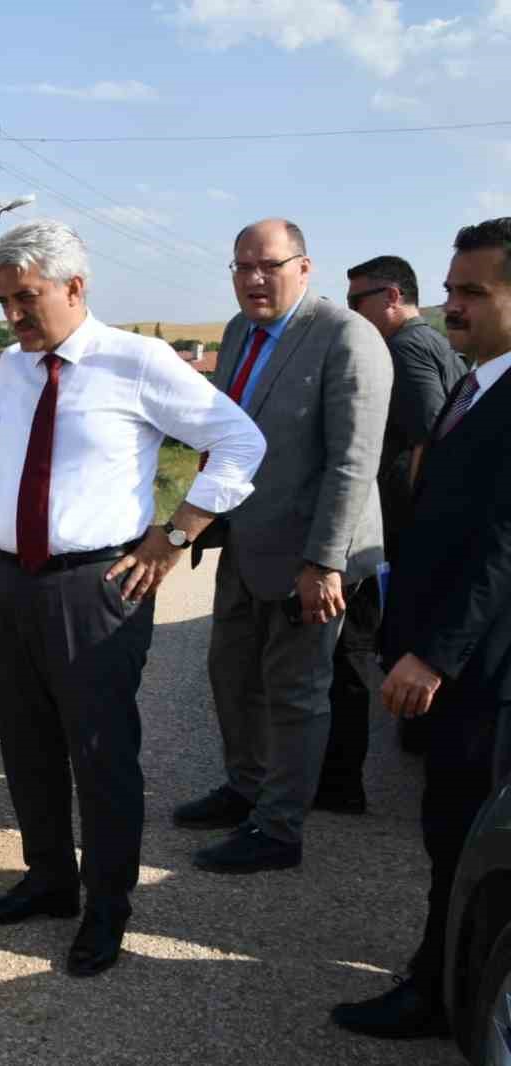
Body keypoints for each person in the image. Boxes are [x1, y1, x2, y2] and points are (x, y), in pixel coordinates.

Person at [0, 219, 264, 976]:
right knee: (27, 746)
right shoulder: (15, 369)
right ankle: (49, 880)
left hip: (100, 589)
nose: (15, 316)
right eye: (4, 302)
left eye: (26, 299)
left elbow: (240, 440)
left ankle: (107, 906)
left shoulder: (137, 361)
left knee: (100, 754)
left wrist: (178, 534)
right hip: (17, 585)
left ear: (74, 287)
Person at [331, 218, 511, 1039]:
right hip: (448, 657)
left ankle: (441, 996)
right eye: (451, 288)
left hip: (477, 671)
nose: (452, 306)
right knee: (445, 831)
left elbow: (503, 547)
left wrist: (432, 657)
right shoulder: (481, 382)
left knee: (460, 833)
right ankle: (440, 974)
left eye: (473, 291)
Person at [178, 219, 391, 874]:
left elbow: (352, 464)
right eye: (242, 266)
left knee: (296, 690)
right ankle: (245, 788)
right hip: (244, 538)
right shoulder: (240, 333)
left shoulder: (346, 338)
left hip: (311, 555)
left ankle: (278, 827)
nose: (253, 278)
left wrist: (324, 562)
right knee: (230, 671)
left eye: (268, 265)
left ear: (305, 266)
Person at [343, 256, 466, 761]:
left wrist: (417, 520)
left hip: (410, 517)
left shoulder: (404, 348)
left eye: (358, 302)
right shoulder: (429, 341)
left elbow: (431, 435)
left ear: (393, 296)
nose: (353, 313)